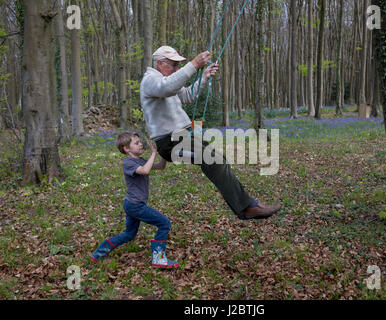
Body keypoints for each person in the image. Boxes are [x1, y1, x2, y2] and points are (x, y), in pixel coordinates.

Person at [140, 45, 281, 220]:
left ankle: (250, 205)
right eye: (174, 65)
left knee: (218, 160)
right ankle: (246, 208)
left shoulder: (166, 80)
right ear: (160, 63)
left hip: (184, 136)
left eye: (178, 65)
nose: (177, 69)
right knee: (213, 160)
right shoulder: (151, 80)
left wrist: (204, 77)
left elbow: (187, 96)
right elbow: (167, 87)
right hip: (171, 143)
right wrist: (193, 64)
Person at [90, 132, 178, 268]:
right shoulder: (128, 163)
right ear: (127, 149)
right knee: (164, 223)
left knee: (129, 234)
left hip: (132, 204)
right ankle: (158, 258)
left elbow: (160, 166)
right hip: (135, 206)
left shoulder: (141, 160)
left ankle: (98, 254)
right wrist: (153, 153)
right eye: (136, 143)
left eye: (140, 141)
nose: (141, 144)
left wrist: (163, 152)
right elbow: (144, 171)